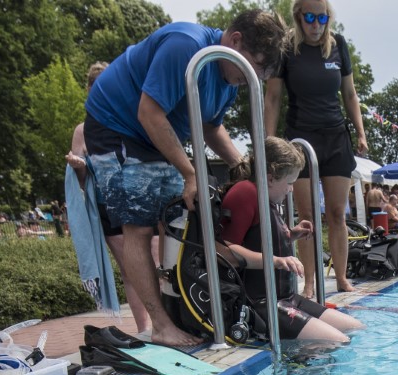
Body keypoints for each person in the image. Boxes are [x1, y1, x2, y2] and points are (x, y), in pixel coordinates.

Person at [83, 10, 287, 347]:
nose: (246, 78)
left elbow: (210, 127)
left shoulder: (227, 77)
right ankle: (161, 326)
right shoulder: (186, 46)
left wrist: (242, 164)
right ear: (235, 41)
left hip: (156, 135)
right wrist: (190, 172)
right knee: (139, 227)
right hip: (117, 126)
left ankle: (176, 314)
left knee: (174, 223)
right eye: (249, 68)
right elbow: (148, 112)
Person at [216, 137, 364, 342]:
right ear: (270, 178)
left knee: (356, 328)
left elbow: (257, 238)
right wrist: (275, 261)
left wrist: (291, 235)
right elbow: (224, 251)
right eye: (290, 182)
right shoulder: (245, 193)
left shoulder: (266, 199)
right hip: (260, 303)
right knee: (336, 341)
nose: (291, 189)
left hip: (286, 298)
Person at [265, 0, 367, 296]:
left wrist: (360, 132)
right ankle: (309, 282)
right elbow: (272, 97)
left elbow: (349, 93)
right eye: (310, 17)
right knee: (307, 215)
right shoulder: (286, 48)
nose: (316, 24)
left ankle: (342, 277)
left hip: (336, 137)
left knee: (336, 213)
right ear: (298, 17)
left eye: (322, 18)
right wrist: (268, 142)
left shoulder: (338, 45)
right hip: (300, 139)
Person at [66, 61, 151, 335]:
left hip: (137, 200)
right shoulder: (83, 130)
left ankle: (166, 321)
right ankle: (143, 327)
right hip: (108, 206)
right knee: (129, 269)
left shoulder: (131, 119)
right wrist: (80, 167)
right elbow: (81, 178)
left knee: (155, 263)